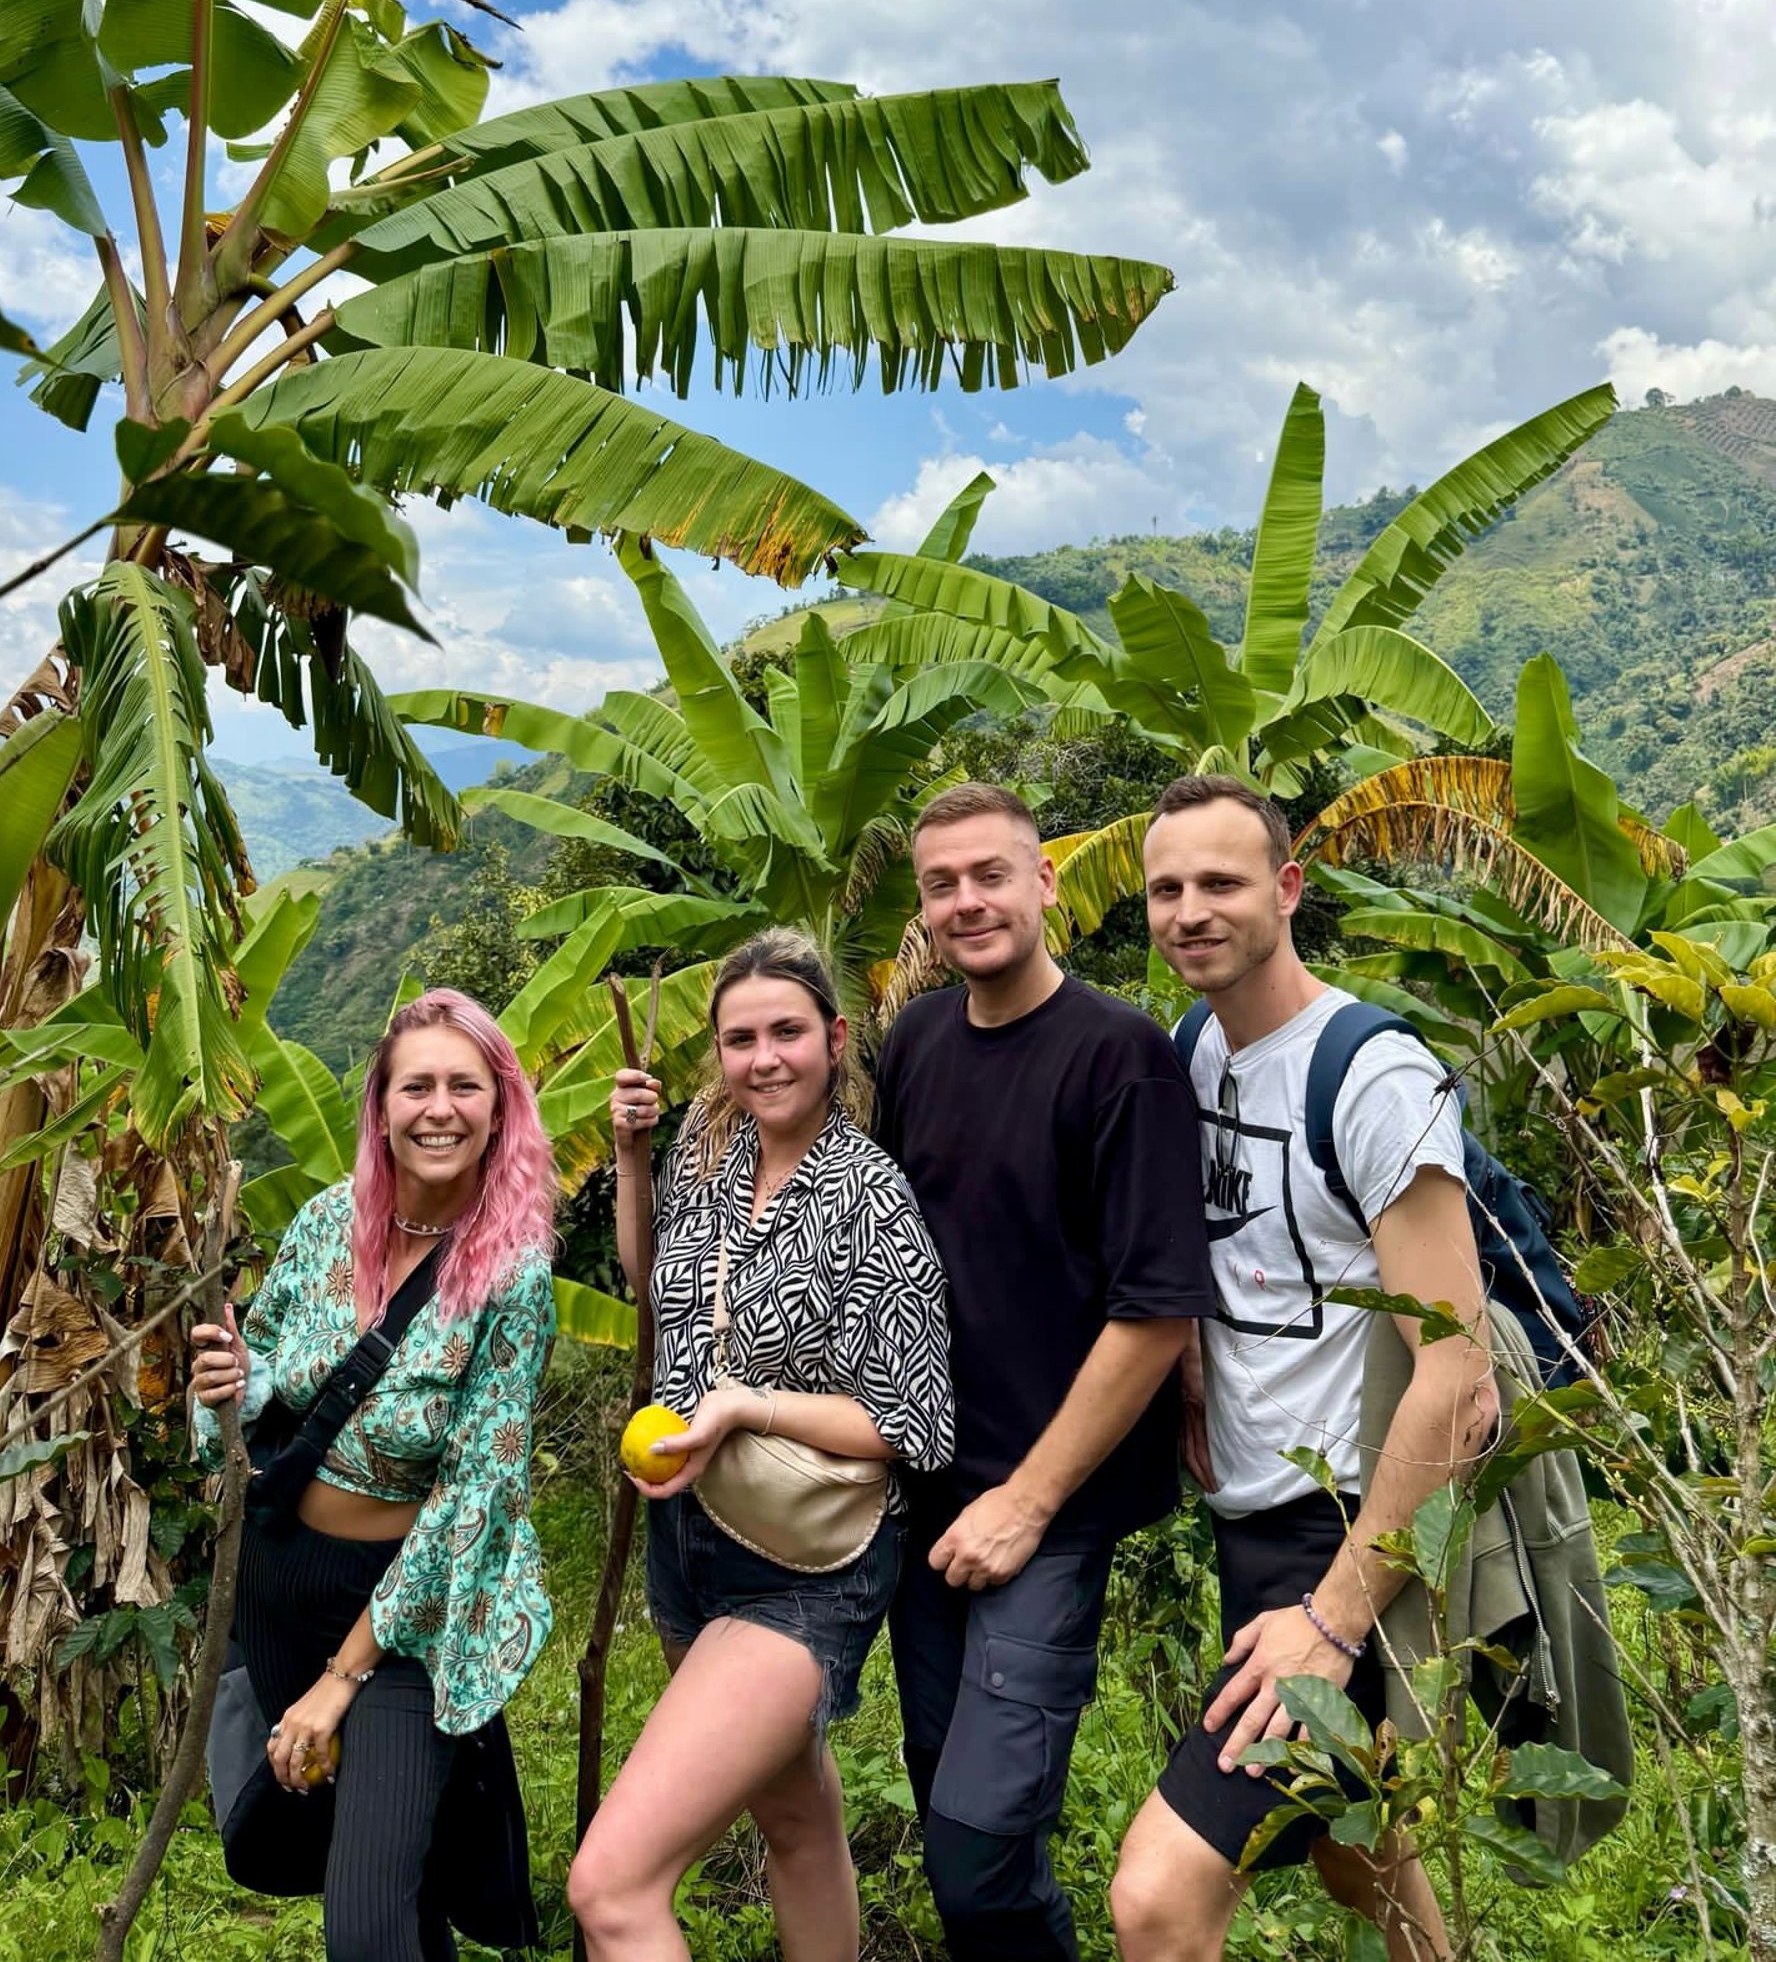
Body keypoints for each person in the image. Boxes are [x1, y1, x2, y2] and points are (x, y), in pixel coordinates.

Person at [1111, 774, 1499, 1962]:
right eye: (1166, 888)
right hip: (1253, 1522)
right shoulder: (1196, 1046)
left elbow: (1460, 1378)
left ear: (1287, 889)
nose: (1190, 910)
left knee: (1159, 1896)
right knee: (1357, 1846)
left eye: (1221, 882)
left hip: (1346, 1540)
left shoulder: (1374, 1077)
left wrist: (1332, 1622)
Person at [876, 782, 1215, 1962]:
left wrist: (1027, 1501)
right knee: (950, 1822)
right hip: (923, 1495)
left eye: (990, 874)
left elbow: (1157, 1312)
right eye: (941, 883)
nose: (967, 901)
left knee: (976, 1851)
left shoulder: (1118, 1056)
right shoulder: (913, 1041)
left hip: (1048, 1508)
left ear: (1044, 881)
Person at [569, 928, 954, 1962]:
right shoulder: (707, 1142)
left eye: (787, 1032)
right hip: (689, 1530)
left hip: (805, 1560)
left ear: (833, 1039)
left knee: (610, 1888)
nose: (764, 1058)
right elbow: (657, 1281)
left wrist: (750, 1406)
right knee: (789, 1812)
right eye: (740, 1039)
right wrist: (630, 1156)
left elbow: (906, 1424)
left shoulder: (872, 1199)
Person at [190, 987, 557, 1962]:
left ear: (500, 1106)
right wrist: (225, 1380)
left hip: (406, 1618)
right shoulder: (323, 1223)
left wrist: (340, 1679)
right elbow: (266, 1377)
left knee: (362, 1926)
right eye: (417, 1086)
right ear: (382, 1106)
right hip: (281, 1589)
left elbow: (477, 1497)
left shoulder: (511, 1274)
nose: (439, 1107)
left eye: (464, 1086)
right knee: (379, 1877)